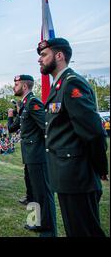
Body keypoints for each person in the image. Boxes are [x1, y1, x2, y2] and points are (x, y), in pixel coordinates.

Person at [38, 37, 108, 237]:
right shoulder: (58, 85)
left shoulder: (71, 84)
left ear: (59, 56)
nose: (40, 60)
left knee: (85, 231)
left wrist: (100, 168)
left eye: (44, 54)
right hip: (68, 175)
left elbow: (93, 132)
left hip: (78, 175)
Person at [8, 74, 57, 236]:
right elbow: (13, 128)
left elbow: (46, 126)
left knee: (42, 192)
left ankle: (47, 227)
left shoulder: (33, 102)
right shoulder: (24, 104)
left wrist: (49, 150)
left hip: (37, 155)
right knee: (34, 192)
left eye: (16, 84)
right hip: (30, 155)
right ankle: (35, 222)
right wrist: (11, 116)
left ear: (24, 86)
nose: (14, 87)